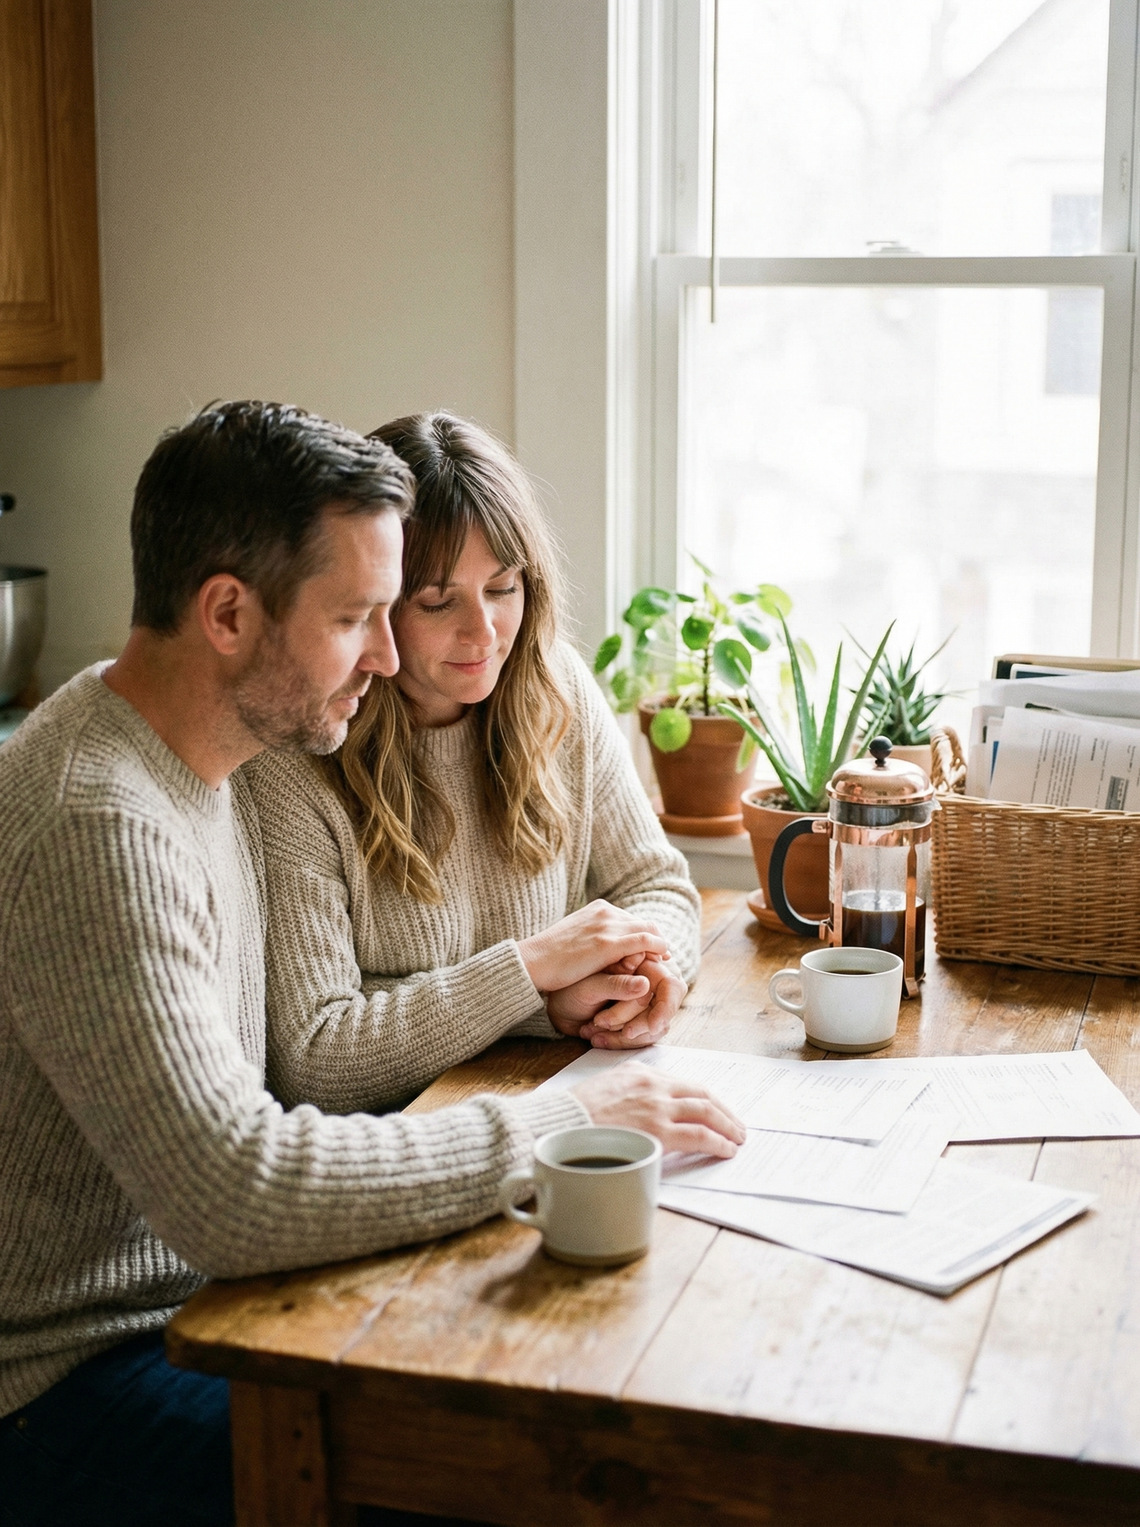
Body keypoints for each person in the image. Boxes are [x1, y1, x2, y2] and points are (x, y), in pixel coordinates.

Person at [0, 401, 744, 1527]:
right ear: (228, 614)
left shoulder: (199, 761)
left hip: (219, 1301)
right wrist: (561, 1129)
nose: (396, 656)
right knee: (516, 1479)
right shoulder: (100, 823)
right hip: (81, 1375)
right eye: (361, 617)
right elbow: (240, 1192)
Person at [243, 411, 701, 1119]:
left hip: (544, 1103)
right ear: (374, 605)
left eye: (503, 586)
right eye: (437, 600)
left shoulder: (557, 688)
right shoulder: (298, 752)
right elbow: (316, 1056)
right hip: (393, 1153)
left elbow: (657, 885)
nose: (484, 632)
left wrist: (646, 975)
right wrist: (534, 975)